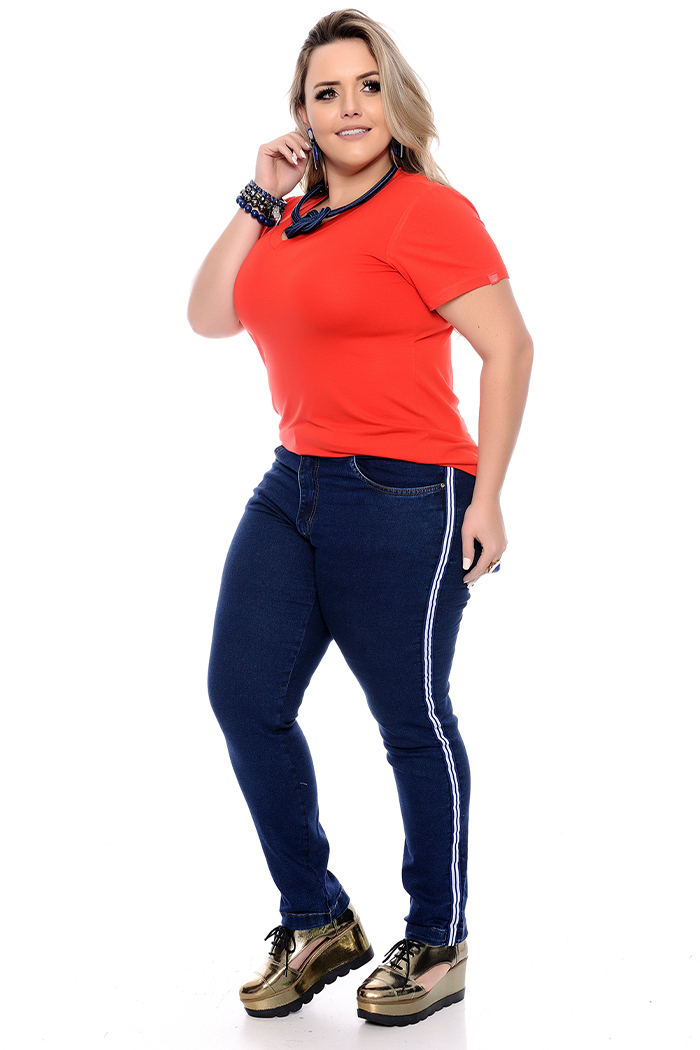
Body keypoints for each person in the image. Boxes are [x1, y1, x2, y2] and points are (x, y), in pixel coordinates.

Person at [187, 7, 533, 1029]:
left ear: (396, 98)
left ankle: (438, 939)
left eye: (367, 86)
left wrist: (488, 494)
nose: (349, 107)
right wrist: (258, 195)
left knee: (411, 720)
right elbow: (207, 315)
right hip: (291, 485)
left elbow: (509, 349)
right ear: (301, 111)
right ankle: (317, 918)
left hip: (406, 493)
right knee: (242, 696)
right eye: (325, 91)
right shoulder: (290, 216)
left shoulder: (429, 212)